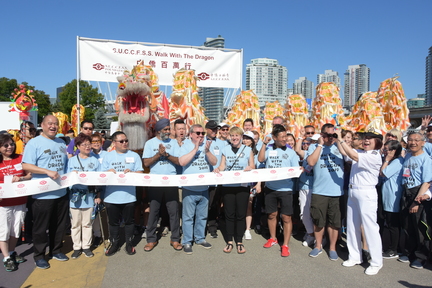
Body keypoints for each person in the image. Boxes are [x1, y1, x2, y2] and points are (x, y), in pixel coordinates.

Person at [22, 115, 69, 269]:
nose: (53, 126)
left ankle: (55, 251)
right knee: (41, 228)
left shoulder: (61, 142)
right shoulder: (34, 143)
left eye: (55, 124)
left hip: (61, 192)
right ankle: (39, 255)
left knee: (59, 225)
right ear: (42, 125)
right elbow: (26, 166)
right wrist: (46, 171)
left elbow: (66, 165)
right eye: (49, 123)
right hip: (42, 194)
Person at [337, 129, 384, 275]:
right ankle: (355, 256)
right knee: (352, 226)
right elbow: (346, 153)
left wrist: (340, 138)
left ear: (378, 142)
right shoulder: (361, 153)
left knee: (370, 227)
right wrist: (337, 138)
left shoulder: (375, 155)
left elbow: (351, 154)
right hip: (353, 191)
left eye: (371, 138)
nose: (366, 140)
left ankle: (376, 262)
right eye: (365, 138)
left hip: (367, 192)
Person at [258, 124, 300, 257]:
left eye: (285, 136)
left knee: (286, 217)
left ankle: (285, 245)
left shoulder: (290, 152)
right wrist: (264, 144)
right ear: (274, 137)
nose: (285, 139)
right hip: (270, 188)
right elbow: (260, 159)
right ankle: (273, 238)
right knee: (271, 215)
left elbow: (295, 171)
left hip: (286, 189)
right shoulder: (269, 149)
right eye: (281, 137)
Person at [214, 126, 256, 254]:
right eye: (232, 136)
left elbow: (253, 165)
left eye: (237, 136)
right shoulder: (225, 149)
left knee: (241, 214)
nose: (234, 138)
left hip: (242, 186)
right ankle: (229, 241)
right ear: (230, 137)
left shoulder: (248, 150)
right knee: (229, 214)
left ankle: (239, 241)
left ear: (241, 137)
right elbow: (222, 165)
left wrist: (250, 167)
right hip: (228, 186)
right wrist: (218, 169)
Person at [102, 131, 144, 256]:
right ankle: (115, 243)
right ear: (114, 143)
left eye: (126, 140)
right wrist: (108, 172)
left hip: (128, 195)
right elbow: (101, 175)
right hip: (111, 196)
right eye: (121, 141)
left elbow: (140, 173)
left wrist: (132, 173)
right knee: (113, 223)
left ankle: (129, 243)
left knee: (129, 222)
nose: (125, 143)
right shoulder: (108, 156)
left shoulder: (134, 156)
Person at [143, 119, 182, 252]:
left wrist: (166, 155)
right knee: (154, 211)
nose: (167, 132)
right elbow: (146, 163)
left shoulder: (174, 143)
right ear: (158, 130)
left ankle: (175, 238)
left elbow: (178, 161)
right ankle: (151, 239)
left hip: (171, 182)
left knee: (174, 211)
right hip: (155, 182)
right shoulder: (150, 143)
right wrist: (158, 155)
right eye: (165, 129)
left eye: (168, 129)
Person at [306, 123, 344, 261]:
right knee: (318, 221)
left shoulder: (338, 146)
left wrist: (339, 139)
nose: (330, 138)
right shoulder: (314, 147)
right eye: (327, 135)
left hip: (336, 191)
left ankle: (332, 248)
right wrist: (320, 145)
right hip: (319, 190)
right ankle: (318, 245)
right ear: (322, 135)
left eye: (332, 134)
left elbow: (348, 156)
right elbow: (310, 162)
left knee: (334, 222)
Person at [178, 124, 217, 254]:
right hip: (189, 188)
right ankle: (187, 241)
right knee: (188, 217)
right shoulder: (185, 145)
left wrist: (207, 151)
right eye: (198, 133)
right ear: (191, 134)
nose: (201, 136)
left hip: (204, 188)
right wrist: (195, 149)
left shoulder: (207, 144)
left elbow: (214, 162)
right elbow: (182, 162)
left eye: (202, 133)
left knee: (202, 216)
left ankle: (200, 238)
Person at [398, 131, 432, 269]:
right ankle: (409, 252)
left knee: (420, 228)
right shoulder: (408, 157)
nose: (413, 142)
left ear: (423, 142)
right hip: (406, 193)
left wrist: (417, 202)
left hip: (419, 195)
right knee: (408, 226)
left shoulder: (426, 159)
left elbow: (427, 182)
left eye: (416, 140)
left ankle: (421, 256)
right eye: (410, 140)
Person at [0, 134, 31, 272]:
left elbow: (30, 175)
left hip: (20, 200)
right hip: (3, 203)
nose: (9, 147)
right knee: (4, 231)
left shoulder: (20, 158)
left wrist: (22, 178)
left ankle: (12, 252)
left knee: (15, 230)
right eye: (5, 145)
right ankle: (6, 257)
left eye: (11, 144)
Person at [67, 133, 101, 259]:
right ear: (77, 146)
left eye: (88, 144)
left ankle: (86, 246)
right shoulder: (71, 161)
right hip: (74, 197)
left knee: (87, 223)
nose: (87, 146)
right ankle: (76, 247)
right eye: (84, 144)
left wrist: (98, 195)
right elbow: (65, 179)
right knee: (75, 223)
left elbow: (99, 180)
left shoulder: (94, 161)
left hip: (89, 196)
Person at [379, 140, 404, 259]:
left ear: (393, 151)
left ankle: (393, 249)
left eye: (387, 149)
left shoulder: (397, 161)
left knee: (392, 224)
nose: (385, 151)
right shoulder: (393, 161)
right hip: (386, 196)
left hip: (393, 196)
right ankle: (389, 246)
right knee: (388, 222)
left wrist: (387, 160)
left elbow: (383, 173)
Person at [204, 120, 226, 239]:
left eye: (216, 129)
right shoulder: (201, 141)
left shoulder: (222, 143)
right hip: (203, 179)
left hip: (216, 179)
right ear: (206, 129)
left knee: (213, 204)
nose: (214, 131)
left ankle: (212, 226)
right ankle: (201, 227)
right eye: (212, 129)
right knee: (203, 205)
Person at [242, 131, 260, 240]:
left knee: (248, 206)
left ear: (252, 141)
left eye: (248, 138)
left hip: (251, 183)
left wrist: (258, 184)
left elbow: (259, 169)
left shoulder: (257, 154)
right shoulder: (238, 150)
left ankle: (247, 229)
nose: (245, 140)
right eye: (244, 138)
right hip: (239, 182)